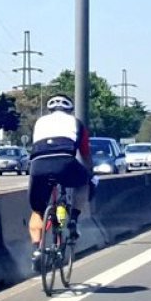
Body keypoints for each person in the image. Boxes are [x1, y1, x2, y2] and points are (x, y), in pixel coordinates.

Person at [27, 94, 93, 271]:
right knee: (83, 183)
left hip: (38, 166)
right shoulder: (76, 123)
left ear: (50, 109)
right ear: (69, 109)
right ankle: (73, 220)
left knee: (37, 211)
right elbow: (85, 154)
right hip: (65, 163)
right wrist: (89, 172)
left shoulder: (40, 122)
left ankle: (37, 251)